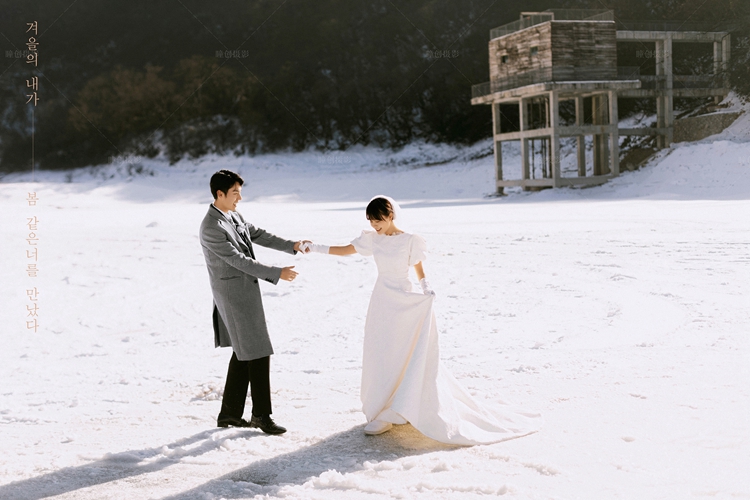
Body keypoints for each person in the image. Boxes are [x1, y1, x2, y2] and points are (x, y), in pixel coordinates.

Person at [303, 196, 542, 445]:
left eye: (378, 220)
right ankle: (382, 408)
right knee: (381, 351)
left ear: (390, 215)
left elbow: (417, 264)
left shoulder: (409, 240)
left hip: (404, 298)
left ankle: (401, 406)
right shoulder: (372, 239)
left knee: (405, 351)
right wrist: (316, 247)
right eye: (371, 221)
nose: (374, 225)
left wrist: (425, 286)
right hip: (382, 301)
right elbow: (346, 250)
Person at [199, 169, 309, 435]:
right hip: (233, 296)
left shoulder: (233, 215)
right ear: (220, 194)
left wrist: (292, 245)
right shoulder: (211, 227)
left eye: (239, 191)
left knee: (244, 351)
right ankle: (261, 415)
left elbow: (258, 234)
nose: (239, 197)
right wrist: (276, 272)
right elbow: (238, 260)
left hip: (244, 292)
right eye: (235, 192)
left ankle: (229, 415)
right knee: (258, 350)